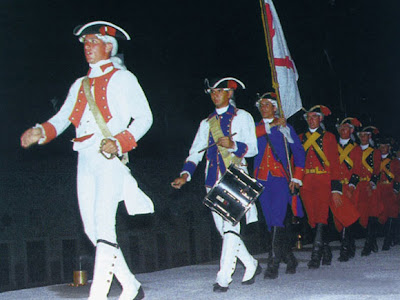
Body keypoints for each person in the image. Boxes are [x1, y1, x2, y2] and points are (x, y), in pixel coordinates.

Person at [20, 21, 153, 300]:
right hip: (84, 157)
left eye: (93, 42)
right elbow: (63, 117)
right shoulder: (80, 84)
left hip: (109, 157)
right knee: (92, 230)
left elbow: (145, 117)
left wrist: (119, 141)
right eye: (85, 43)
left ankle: (98, 295)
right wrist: (40, 131)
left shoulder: (124, 78)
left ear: (108, 46)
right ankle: (130, 285)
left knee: (104, 226)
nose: (87, 47)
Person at [171, 77, 261, 292]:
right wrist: (185, 175)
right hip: (212, 180)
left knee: (231, 228)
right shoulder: (206, 123)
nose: (215, 94)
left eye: (219, 91)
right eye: (212, 91)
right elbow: (195, 152)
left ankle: (223, 278)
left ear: (229, 93)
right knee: (225, 232)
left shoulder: (243, 117)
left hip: (236, 177)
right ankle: (251, 263)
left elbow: (254, 149)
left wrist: (234, 144)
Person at [299, 105, 359, 269]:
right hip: (306, 182)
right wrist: (296, 180)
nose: (311, 120)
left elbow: (334, 163)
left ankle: (316, 255)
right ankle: (326, 251)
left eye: (315, 117)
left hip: (323, 181)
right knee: (312, 219)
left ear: (321, 119)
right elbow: (296, 161)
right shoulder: (301, 137)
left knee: (321, 216)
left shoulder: (329, 137)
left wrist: (335, 189)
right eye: (309, 117)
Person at [253, 92, 305, 279]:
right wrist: (270, 126)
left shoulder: (286, 127)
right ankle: (289, 258)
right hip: (261, 179)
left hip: (281, 179)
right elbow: (250, 137)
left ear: (275, 107)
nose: (263, 107)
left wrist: (296, 178)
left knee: (277, 218)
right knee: (269, 222)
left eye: (267, 104)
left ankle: (273, 264)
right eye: (261, 104)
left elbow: (299, 153)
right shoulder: (256, 128)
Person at [335, 118, 362, 262]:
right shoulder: (333, 146)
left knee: (347, 216)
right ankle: (349, 244)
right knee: (339, 218)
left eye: (346, 128)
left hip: (350, 187)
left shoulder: (356, 148)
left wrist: (352, 185)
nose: (343, 130)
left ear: (351, 130)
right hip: (336, 187)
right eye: (341, 128)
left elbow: (357, 169)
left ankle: (345, 248)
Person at [356, 126, 381, 256]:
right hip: (359, 185)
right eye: (361, 135)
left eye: (365, 135)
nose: (363, 137)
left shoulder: (374, 152)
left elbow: (377, 169)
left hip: (370, 186)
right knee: (361, 214)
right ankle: (371, 240)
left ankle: (368, 243)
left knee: (372, 214)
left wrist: (372, 183)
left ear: (369, 137)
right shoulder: (355, 150)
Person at [376, 137, 399, 251]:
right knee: (380, 213)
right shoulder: (376, 160)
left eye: (384, 147)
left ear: (389, 148)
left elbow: (398, 177)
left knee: (392, 213)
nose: (382, 149)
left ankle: (387, 240)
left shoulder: (394, 161)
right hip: (379, 188)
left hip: (390, 189)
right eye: (380, 146)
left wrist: (396, 189)